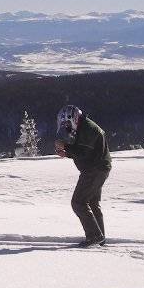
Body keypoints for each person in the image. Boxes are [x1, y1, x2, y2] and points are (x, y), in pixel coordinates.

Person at [55, 105, 112, 247]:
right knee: (92, 203)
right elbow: (83, 151)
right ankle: (100, 237)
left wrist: (65, 148)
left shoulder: (87, 129)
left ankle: (94, 236)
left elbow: (82, 152)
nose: (66, 127)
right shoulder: (84, 126)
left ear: (73, 119)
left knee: (78, 202)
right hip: (97, 168)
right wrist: (67, 153)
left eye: (67, 124)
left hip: (94, 169)